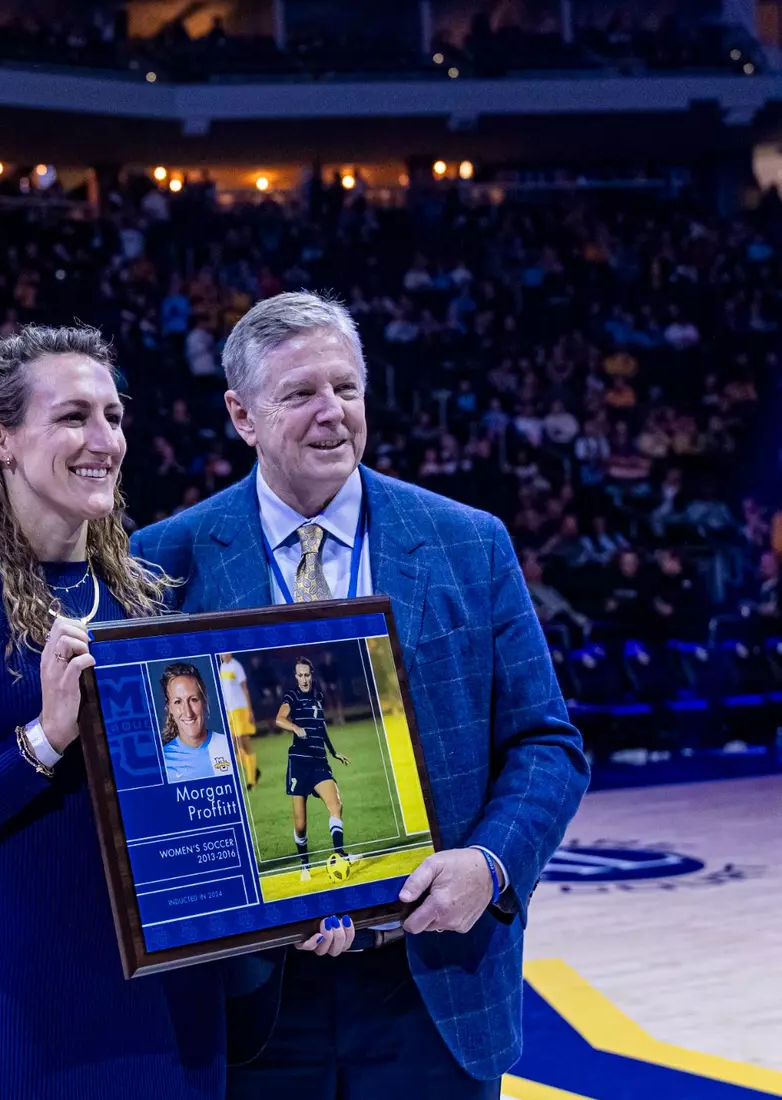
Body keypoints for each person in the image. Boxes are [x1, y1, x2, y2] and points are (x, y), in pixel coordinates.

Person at [131, 292, 588, 1098]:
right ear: (241, 415)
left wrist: (490, 865)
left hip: (432, 982)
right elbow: (159, 769)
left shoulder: (468, 541)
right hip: (252, 997)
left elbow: (548, 744)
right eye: (300, 393)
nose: (332, 412)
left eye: (346, 388)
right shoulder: (165, 559)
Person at [0, 325, 225, 1099]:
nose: (105, 440)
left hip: (179, 1012)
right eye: (73, 417)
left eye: (113, 417)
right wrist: (43, 740)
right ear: (0, 440)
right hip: (34, 1022)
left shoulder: (146, 597)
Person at [275, 656, 351, 882]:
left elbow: (321, 725)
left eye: (307, 675)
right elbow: (279, 719)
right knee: (300, 825)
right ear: (296, 676)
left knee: (336, 805)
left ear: (312, 675)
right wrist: (295, 728)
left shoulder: (318, 696)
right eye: (300, 675)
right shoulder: (292, 696)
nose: (304, 679)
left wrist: (333, 751)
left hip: (319, 761)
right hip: (299, 764)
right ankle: (305, 863)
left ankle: (339, 855)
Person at [158, 662, 233, 783]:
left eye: (193, 700)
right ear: (169, 707)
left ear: (204, 701)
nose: (188, 713)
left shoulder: (229, 746)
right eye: (178, 702)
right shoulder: (161, 763)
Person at [217, 652, 259, 790]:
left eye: (226, 652)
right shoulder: (222, 667)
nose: (224, 655)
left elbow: (245, 689)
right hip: (230, 711)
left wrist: (249, 710)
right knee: (234, 745)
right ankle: (253, 769)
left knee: (244, 742)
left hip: (240, 709)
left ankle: (251, 780)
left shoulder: (236, 666)